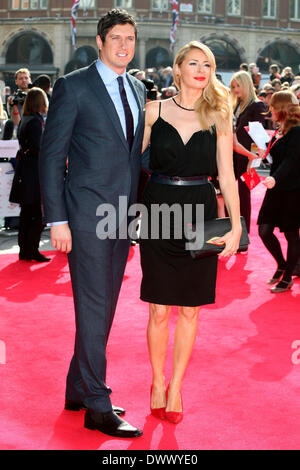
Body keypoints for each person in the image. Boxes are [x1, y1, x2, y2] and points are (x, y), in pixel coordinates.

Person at [39, 9, 145, 438]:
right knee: (95, 305)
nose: (124, 45)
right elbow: (51, 157)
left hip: (121, 216)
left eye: (131, 38)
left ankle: (77, 387)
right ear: (99, 41)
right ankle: (97, 406)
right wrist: (57, 220)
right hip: (83, 215)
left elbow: (131, 156)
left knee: (104, 307)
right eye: (116, 37)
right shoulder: (73, 86)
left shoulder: (138, 88)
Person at [139, 41, 242, 424]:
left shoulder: (219, 115)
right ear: (178, 68)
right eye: (194, 63)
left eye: (208, 65)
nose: (201, 69)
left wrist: (236, 224)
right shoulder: (153, 111)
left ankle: (177, 385)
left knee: (190, 309)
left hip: (200, 210)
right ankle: (157, 380)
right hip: (158, 212)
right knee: (159, 308)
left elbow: (227, 176)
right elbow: (127, 164)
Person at [257, 91, 300, 292]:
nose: (270, 111)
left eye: (273, 107)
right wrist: (263, 152)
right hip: (275, 187)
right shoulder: (280, 129)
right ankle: (282, 264)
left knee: (292, 234)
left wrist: (275, 177)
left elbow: (292, 160)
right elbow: (278, 156)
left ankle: (288, 276)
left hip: (292, 190)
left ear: (281, 109)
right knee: (264, 231)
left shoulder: (297, 130)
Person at [9, 88, 50, 262]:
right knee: (35, 214)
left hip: (26, 171)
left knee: (26, 214)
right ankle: (32, 249)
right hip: (34, 173)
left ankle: (25, 250)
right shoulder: (35, 122)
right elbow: (38, 148)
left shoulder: (26, 120)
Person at [230, 70, 266, 233]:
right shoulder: (238, 104)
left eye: (238, 85)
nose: (235, 89)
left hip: (246, 156)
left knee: (244, 194)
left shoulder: (257, 105)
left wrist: (252, 161)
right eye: (233, 86)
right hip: (233, 153)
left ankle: (244, 233)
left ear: (246, 84)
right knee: (230, 192)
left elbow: (258, 136)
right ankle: (233, 227)